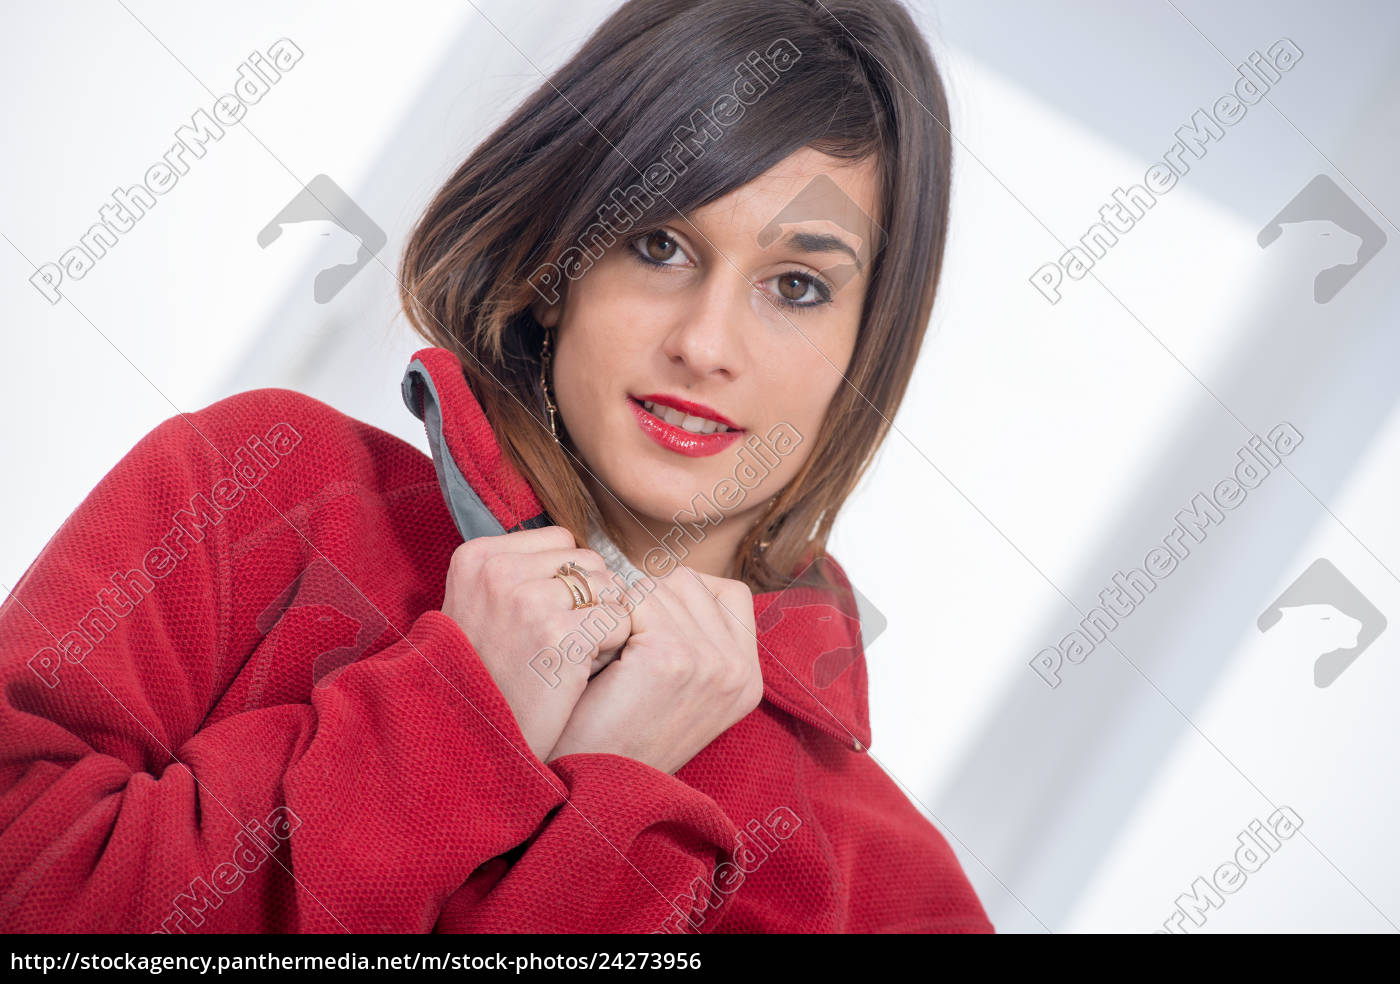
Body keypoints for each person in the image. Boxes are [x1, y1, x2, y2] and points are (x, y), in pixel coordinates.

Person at [0, 0, 993, 933]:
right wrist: (454, 712)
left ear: (867, 347)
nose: (705, 342)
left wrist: (605, 797)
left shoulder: (893, 890)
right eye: (658, 244)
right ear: (560, 259)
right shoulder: (255, 487)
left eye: (795, 285)